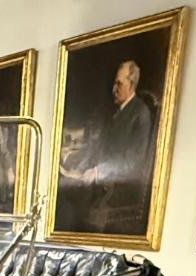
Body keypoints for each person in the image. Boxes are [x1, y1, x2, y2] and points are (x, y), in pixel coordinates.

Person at [59, 60, 155, 232]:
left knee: (65, 199)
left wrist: (98, 172)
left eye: (119, 84)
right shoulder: (116, 112)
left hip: (118, 188)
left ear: (131, 84)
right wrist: (73, 159)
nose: (113, 89)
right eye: (114, 83)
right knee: (61, 186)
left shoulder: (141, 114)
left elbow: (132, 162)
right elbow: (98, 147)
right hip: (100, 181)